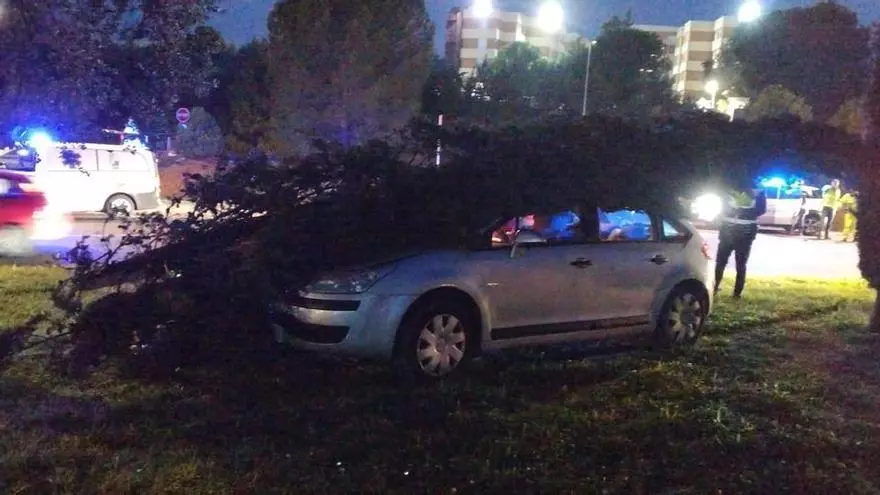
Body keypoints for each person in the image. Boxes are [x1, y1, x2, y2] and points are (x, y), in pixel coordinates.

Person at [714, 186, 767, 298]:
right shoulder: (758, 192)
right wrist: (746, 212)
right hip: (745, 232)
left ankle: (716, 287)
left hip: (730, 230)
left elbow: (721, 207)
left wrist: (735, 211)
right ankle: (736, 293)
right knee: (740, 264)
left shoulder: (728, 189)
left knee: (722, 262)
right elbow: (761, 210)